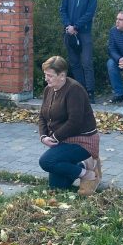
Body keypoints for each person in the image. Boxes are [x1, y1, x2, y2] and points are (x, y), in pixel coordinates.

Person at [38, 56, 101, 196]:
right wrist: (43, 137)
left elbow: (75, 122)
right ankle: (84, 165)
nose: (46, 79)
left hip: (83, 141)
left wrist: (54, 137)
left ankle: (87, 174)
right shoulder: (48, 89)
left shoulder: (74, 90)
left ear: (62, 76)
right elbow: (42, 115)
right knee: (57, 187)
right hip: (63, 140)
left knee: (46, 161)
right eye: (45, 75)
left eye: (50, 76)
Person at [59, 0, 98, 102]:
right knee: (74, 63)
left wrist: (76, 26)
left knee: (86, 63)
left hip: (84, 33)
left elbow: (90, 13)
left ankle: (90, 93)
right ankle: (81, 92)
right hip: (69, 33)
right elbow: (62, 10)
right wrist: (68, 25)